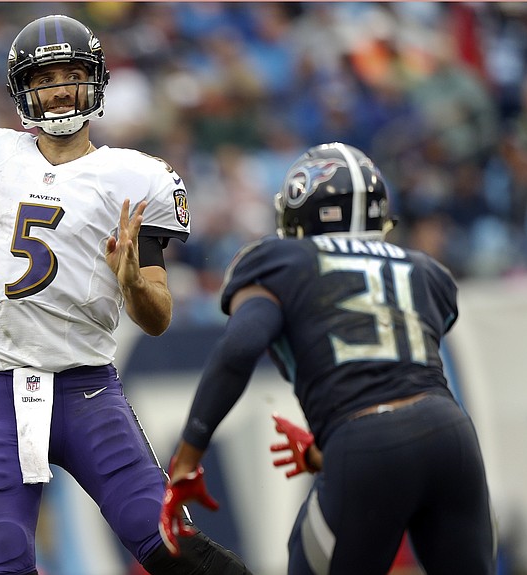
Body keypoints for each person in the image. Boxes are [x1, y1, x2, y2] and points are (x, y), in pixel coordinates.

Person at [0, 14, 250, 575]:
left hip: (85, 388)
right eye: (45, 76)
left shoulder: (136, 177)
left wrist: (132, 280)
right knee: (7, 561)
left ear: (97, 80)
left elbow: (156, 318)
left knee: (167, 543)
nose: (60, 87)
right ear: (22, 90)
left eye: (71, 73)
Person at [159, 142, 496, 574]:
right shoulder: (426, 270)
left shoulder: (278, 260)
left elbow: (242, 345)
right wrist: (326, 447)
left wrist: (187, 458)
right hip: (451, 437)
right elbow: (398, 378)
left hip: (365, 442)